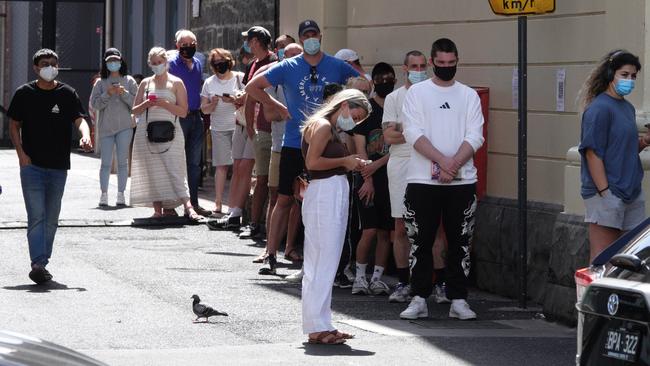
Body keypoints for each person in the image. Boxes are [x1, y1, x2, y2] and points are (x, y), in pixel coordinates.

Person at [245, 19, 360, 275]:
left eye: (314, 34)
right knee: (284, 198)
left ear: (320, 36)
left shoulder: (336, 65)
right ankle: (271, 253)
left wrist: (346, 107)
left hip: (327, 142)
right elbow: (253, 87)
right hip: (295, 142)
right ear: (300, 38)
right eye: (305, 35)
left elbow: (364, 84)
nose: (311, 38)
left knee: (320, 201)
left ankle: (323, 260)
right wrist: (277, 106)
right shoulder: (288, 66)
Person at [399, 38, 484, 321]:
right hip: (423, 181)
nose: (447, 67)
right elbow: (413, 133)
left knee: (460, 242)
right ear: (433, 62)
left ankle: (458, 298)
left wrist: (454, 163)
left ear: (457, 61)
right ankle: (419, 297)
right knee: (420, 241)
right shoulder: (417, 94)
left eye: (451, 63)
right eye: (442, 63)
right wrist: (442, 161)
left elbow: (475, 135)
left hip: (462, 182)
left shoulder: (469, 96)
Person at [8, 48, 93, 284]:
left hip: (58, 167)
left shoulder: (67, 93)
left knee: (51, 217)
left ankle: (41, 262)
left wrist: (85, 135)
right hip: (31, 166)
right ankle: (38, 263)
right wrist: (21, 155)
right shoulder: (24, 93)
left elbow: (80, 119)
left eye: (53, 63)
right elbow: (14, 125)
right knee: (36, 215)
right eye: (45, 64)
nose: (49, 67)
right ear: (36, 68)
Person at [300, 88, 370, 344]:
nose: (355, 121)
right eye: (356, 114)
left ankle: (322, 322)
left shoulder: (327, 127)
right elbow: (312, 163)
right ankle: (316, 326)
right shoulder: (322, 127)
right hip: (325, 193)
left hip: (330, 191)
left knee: (324, 260)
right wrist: (347, 161)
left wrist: (348, 161)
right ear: (343, 106)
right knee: (322, 260)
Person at [579, 50, 648, 261]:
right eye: (624, 74)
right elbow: (592, 153)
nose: (629, 80)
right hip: (608, 193)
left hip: (631, 191)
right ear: (611, 74)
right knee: (603, 258)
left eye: (633, 76)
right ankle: (592, 294)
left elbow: (621, 148)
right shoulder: (599, 108)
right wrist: (606, 193)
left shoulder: (627, 108)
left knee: (630, 259)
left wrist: (644, 142)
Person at [248, 41, 303, 263]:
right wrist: (290, 112)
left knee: (299, 200)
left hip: (306, 148)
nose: (295, 61)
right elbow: (269, 115)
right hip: (280, 146)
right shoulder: (277, 82)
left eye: (297, 56)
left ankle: (289, 247)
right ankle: (269, 250)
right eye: (289, 56)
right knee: (278, 197)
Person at [130, 47, 201, 221]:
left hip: (171, 130)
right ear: (149, 64)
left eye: (159, 63)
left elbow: (183, 111)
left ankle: (188, 206)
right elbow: (134, 109)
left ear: (166, 62)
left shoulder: (176, 82)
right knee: (153, 170)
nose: (156, 66)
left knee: (175, 168)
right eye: (153, 63)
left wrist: (163, 103)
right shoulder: (145, 83)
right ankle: (158, 209)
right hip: (147, 131)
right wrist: (147, 103)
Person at [350, 62, 395, 296]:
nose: (386, 81)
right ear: (374, 81)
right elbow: (360, 148)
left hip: (390, 177)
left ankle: (377, 277)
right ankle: (359, 276)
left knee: (385, 232)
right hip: (367, 176)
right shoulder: (366, 110)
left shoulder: (397, 107)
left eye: (390, 77)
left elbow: (399, 146)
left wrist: (378, 164)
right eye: (381, 77)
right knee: (368, 229)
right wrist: (367, 178)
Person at [168, 29, 211, 217]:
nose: (188, 48)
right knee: (175, 161)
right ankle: (170, 204)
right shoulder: (170, 64)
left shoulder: (199, 63)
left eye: (191, 44)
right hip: (178, 117)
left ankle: (193, 204)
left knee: (194, 164)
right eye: (184, 45)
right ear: (177, 46)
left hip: (195, 117)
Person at [90, 48, 138, 207]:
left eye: (115, 61)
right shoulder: (100, 82)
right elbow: (94, 104)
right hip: (106, 127)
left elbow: (136, 104)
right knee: (105, 162)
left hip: (125, 126)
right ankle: (103, 194)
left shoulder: (129, 80)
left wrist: (123, 93)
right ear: (105, 63)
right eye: (110, 61)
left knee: (123, 161)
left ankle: (121, 194)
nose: (113, 64)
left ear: (121, 61)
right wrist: (108, 93)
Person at [199, 48, 244, 216]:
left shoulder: (239, 78)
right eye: (216, 62)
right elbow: (204, 109)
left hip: (238, 126)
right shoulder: (209, 83)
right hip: (218, 128)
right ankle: (218, 202)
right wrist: (212, 104)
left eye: (222, 61)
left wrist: (233, 100)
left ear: (229, 61)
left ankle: (237, 202)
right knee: (221, 166)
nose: (220, 64)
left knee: (240, 166)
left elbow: (248, 100)